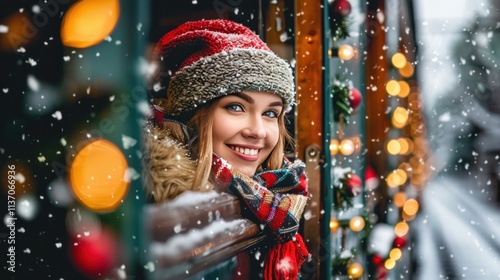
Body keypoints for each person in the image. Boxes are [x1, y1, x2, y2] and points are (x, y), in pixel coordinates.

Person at [142, 19, 311, 279]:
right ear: (193, 116)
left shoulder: (280, 190)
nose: (258, 131)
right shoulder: (154, 192)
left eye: (270, 113)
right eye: (235, 107)